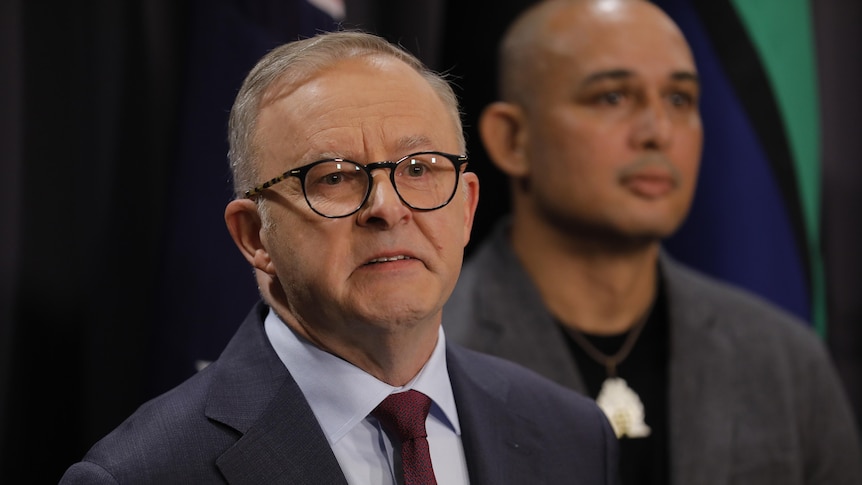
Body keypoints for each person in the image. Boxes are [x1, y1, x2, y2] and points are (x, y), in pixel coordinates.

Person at [59, 31, 619, 485]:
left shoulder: (571, 435)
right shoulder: (143, 475)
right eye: (333, 178)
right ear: (254, 235)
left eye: (420, 169)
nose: (387, 207)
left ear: (467, 208)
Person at [443, 1, 862, 484]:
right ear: (512, 138)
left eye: (680, 100)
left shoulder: (785, 360)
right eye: (613, 97)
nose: (658, 132)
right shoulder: (433, 353)